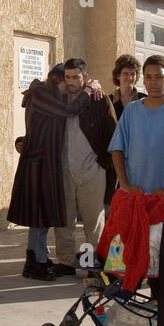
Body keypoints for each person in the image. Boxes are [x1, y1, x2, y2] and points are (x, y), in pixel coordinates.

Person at [9, 64, 104, 281]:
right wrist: (89, 90)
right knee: (40, 217)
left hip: (52, 163)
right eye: (65, 81)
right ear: (55, 80)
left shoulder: (49, 95)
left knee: (47, 216)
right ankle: (35, 262)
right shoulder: (42, 94)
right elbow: (68, 111)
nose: (68, 87)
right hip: (38, 163)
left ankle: (43, 258)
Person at [55, 58, 117, 275]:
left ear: (86, 78)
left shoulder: (99, 100)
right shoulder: (59, 100)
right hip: (64, 170)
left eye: (76, 77)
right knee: (64, 220)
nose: (71, 81)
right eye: (68, 77)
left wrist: (105, 166)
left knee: (94, 221)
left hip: (92, 171)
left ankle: (93, 262)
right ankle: (65, 261)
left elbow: (113, 135)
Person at [109, 55, 164, 201]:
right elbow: (117, 149)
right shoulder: (131, 111)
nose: (153, 82)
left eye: (159, 77)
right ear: (143, 80)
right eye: (148, 77)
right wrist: (124, 184)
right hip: (136, 197)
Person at [110, 54, 144, 120]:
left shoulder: (144, 99)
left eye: (132, 74)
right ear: (118, 76)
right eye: (126, 74)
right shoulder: (110, 101)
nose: (130, 77)